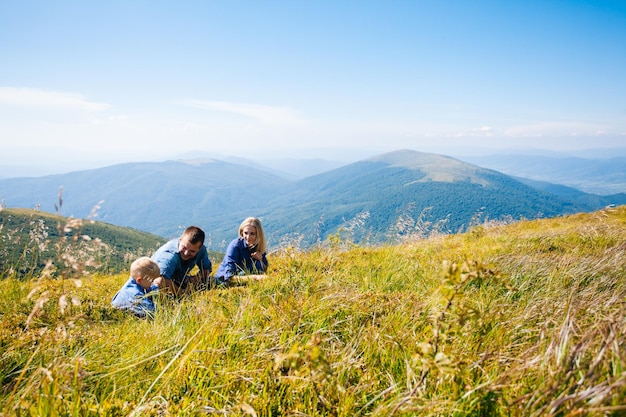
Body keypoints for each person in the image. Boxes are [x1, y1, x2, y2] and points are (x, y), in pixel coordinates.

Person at [151, 225, 212, 295]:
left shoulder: (202, 250)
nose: (186, 253)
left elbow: (206, 269)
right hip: (150, 285)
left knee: (211, 281)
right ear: (180, 239)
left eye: (192, 251)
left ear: (199, 248)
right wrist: (183, 294)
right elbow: (159, 281)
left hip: (177, 279)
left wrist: (194, 279)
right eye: (184, 248)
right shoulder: (170, 256)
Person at [215, 217, 268, 286]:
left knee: (257, 264)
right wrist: (256, 278)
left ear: (258, 234)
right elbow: (229, 276)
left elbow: (264, 269)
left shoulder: (258, 246)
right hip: (224, 282)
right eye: (246, 233)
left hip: (245, 279)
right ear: (241, 232)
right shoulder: (235, 246)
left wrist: (260, 259)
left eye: (252, 234)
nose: (248, 237)